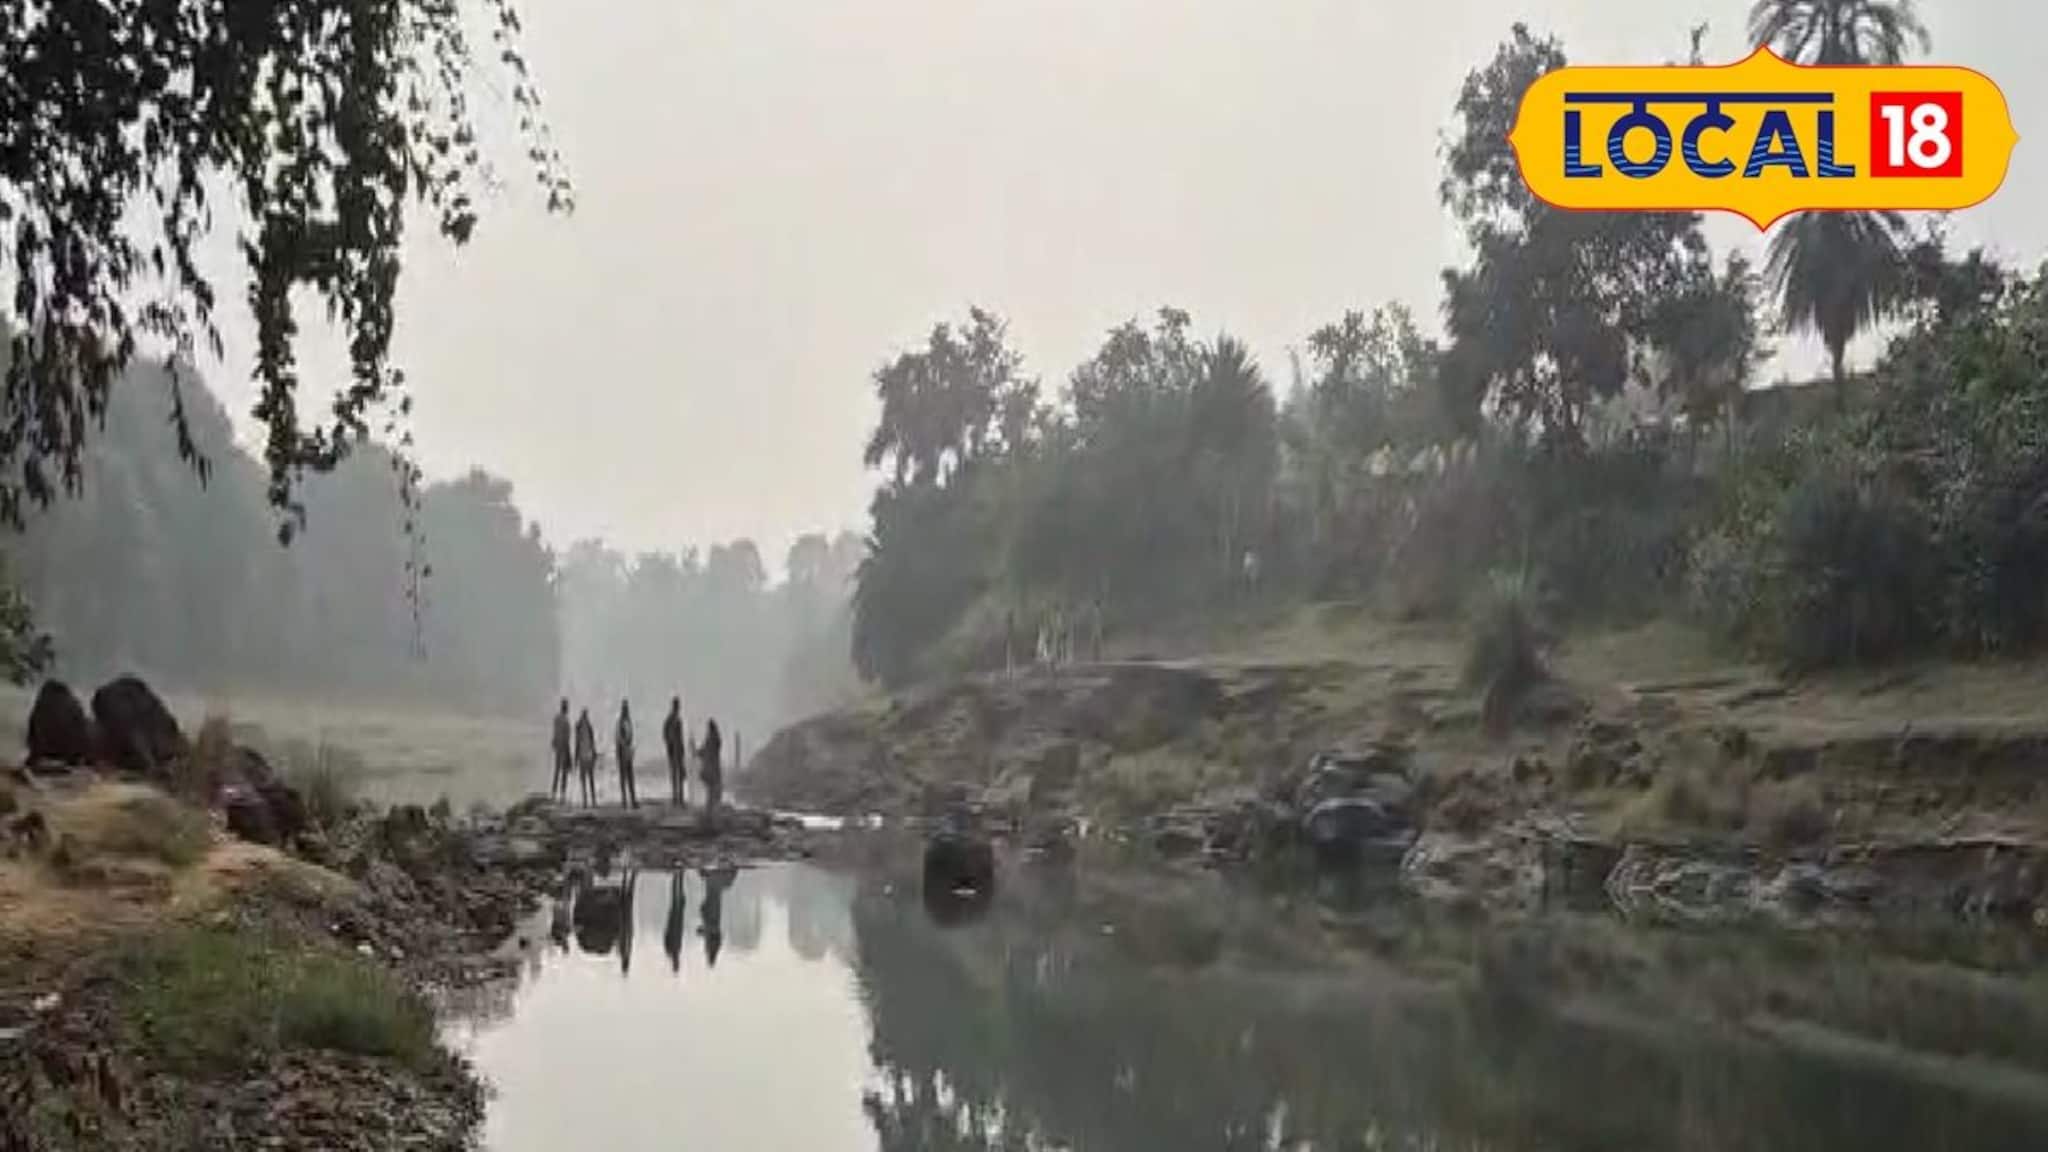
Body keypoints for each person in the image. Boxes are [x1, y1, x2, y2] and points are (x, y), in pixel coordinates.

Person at [662, 697, 688, 806]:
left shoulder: (677, 719)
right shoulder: (671, 720)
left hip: (678, 751)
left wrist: (681, 749)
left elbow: (679, 737)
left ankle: (679, 798)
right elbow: (666, 735)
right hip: (673, 751)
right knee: (675, 775)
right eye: (677, 705)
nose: (678, 708)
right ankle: (676, 798)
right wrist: (671, 746)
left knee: (679, 775)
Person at [697, 718, 724, 819]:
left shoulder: (711, 740)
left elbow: (704, 753)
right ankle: (711, 813)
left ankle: (710, 813)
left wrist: (697, 752)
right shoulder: (715, 739)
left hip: (710, 771)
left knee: (712, 793)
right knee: (713, 793)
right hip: (712, 771)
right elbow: (704, 752)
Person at [573, 707, 598, 807]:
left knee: (584, 780)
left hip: (584, 756)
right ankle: (592, 801)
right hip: (588, 756)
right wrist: (594, 753)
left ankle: (586, 802)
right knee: (590, 779)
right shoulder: (587, 727)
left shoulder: (579, 727)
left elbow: (577, 744)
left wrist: (575, 758)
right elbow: (592, 743)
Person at [615, 701, 638, 810]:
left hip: (627, 752)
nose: (626, 711)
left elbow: (629, 736)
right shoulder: (621, 722)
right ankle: (625, 801)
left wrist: (630, 748)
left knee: (630, 777)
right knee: (624, 777)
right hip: (622, 752)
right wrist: (624, 746)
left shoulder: (628, 721)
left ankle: (632, 800)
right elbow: (619, 738)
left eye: (626, 709)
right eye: (625, 709)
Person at [550, 698, 572, 802]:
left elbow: (555, 734)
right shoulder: (565, 720)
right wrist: (568, 751)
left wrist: (554, 743)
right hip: (563, 747)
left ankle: (554, 792)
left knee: (557, 770)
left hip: (558, 747)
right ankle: (562, 793)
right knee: (563, 772)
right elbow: (566, 737)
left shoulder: (557, 719)